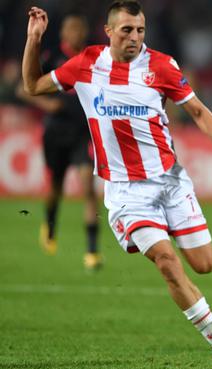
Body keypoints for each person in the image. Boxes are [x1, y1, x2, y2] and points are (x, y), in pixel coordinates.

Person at [22, 1, 212, 360]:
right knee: (167, 263)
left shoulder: (162, 65)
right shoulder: (85, 65)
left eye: (140, 30)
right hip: (127, 192)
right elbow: (32, 85)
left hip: (171, 182)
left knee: (204, 264)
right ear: (109, 31)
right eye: (127, 30)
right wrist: (34, 40)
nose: (135, 37)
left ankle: (167, 229)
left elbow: (199, 111)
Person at [16, 14, 102, 270]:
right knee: (55, 189)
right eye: (70, 29)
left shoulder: (93, 61)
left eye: (79, 28)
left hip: (82, 133)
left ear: (84, 32)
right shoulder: (51, 57)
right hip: (55, 133)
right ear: (64, 33)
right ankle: (50, 226)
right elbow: (25, 88)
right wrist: (47, 104)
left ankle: (92, 251)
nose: (75, 33)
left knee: (88, 186)